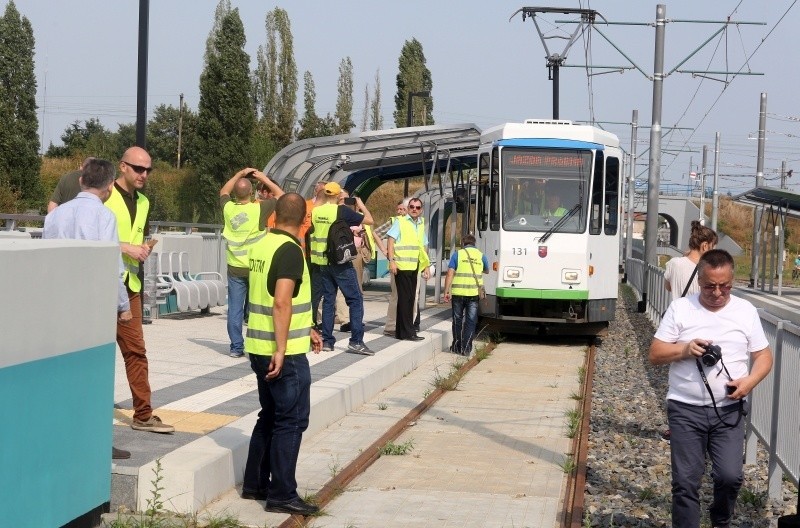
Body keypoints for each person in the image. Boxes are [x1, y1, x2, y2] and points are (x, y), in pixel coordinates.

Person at [649, 249, 773, 528]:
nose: (717, 293)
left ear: (732, 281)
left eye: (725, 286)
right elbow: (655, 354)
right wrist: (684, 349)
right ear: (699, 281)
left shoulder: (745, 311)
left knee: (730, 477)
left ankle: (721, 520)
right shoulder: (681, 308)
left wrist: (749, 382)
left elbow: (764, 356)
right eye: (710, 286)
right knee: (685, 482)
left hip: (728, 410)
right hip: (684, 408)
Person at [43, 158, 133, 459]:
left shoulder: (55, 216)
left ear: (81, 180)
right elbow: (113, 266)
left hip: (57, 303)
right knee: (94, 377)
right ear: (109, 188)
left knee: (61, 373)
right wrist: (123, 306)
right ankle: (94, 441)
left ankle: (59, 436)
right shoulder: (105, 218)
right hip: (91, 307)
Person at [241, 193, 322, 516]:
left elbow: (272, 297)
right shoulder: (290, 251)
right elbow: (281, 301)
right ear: (306, 220)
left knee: (270, 415)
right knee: (292, 420)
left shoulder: (261, 244)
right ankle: (282, 493)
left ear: (274, 216)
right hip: (282, 354)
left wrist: (308, 328)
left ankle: (255, 483)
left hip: (258, 346)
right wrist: (282, 348)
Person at [105, 147, 174, 433]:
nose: (143, 174)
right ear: (122, 166)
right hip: (100, 285)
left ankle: (143, 414)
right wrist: (127, 248)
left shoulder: (143, 201)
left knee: (136, 351)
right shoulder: (104, 195)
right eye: (137, 168)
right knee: (94, 353)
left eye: (148, 170)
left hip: (129, 286)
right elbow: (91, 237)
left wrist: (141, 249)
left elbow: (134, 238)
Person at [220, 168, 283, 358]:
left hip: (235, 268)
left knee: (235, 309)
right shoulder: (259, 209)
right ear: (251, 192)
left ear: (236, 194)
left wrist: (239, 174)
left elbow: (223, 191)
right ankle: (259, 343)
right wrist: (263, 178)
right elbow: (281, 195)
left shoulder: (228, 208)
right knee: (258, 306)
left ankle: (236, 347)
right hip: (256, 266)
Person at [310, 182, 375, 355]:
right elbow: (369, 220)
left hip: (322, 263)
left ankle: (328, 342)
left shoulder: (316, 211)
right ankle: (356, 341)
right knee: (355, 300)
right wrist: (360, 205)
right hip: (340, 263)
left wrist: (323, 195)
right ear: (340, 196)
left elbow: (316, 206)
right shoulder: (342, 211)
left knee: (329, 301)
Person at [387, 197, 430, 341]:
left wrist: (425, 266)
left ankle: (401, 332)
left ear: (421, 210)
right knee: (406, 299)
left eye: (417, 207)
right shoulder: (401, 221)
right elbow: (391, 240)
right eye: (412, 206)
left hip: (415, 266)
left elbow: (423, 246)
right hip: (402, 265)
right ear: (408, 208)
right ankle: (409, 332)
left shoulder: (420, 223)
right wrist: (392, 261)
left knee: (410, 299)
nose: (414, 209)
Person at [443, 234, 488, 356]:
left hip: (458, 294)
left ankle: (457, 346)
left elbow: (450, 274)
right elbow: (487, 270)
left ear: (463, 243)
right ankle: (466, 348)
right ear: (474, 244)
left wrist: (446, 291)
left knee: (457, 320)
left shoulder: (457, 255)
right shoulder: (481, 256)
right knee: (470, 321)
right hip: (473, 295)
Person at [664, 221, 718, 301]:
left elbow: (668, 287)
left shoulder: (673, 263)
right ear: (705, 246)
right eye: (713, 247)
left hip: (678, 312)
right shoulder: (707, 271)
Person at [379, 201, 406, 337]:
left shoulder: (416, 223)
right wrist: (385, 251)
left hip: (410, 265)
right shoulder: (394, 221)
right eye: (398, 209)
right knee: (396, 295)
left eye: (403, 209)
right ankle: (390, 326)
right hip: (397, 264)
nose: (400, 212)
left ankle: (407, 325)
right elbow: (376, 233)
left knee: (410, 297)